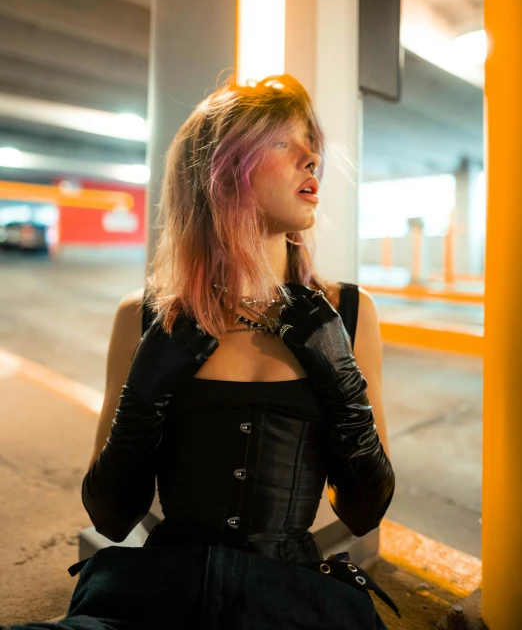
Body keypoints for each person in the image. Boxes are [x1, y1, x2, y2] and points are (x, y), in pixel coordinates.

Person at [3, 74, 398, 630]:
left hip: (290, 601)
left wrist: (339, 375)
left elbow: (365, 511)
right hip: (155, 598)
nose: (312, 157)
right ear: (221, 172)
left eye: (311, 143)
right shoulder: (143, 317)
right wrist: (144, 395)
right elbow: (111, 517)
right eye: (284, 141)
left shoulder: (348, 316)